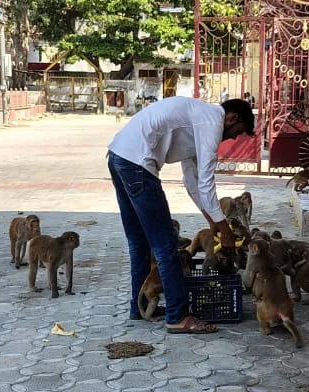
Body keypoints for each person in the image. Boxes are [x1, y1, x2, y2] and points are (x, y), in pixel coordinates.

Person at [106, 96, 255, 334]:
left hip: (118, 156)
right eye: (237, 131)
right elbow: (206, 184)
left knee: (139, 242)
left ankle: (140, 306)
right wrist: (225, 230)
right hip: (137, 164)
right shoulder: (211, 123)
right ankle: (178, 316)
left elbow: (191, 181)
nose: (234, 138)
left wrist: (212, 221)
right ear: (232, 117)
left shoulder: (198, 119)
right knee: (166, 244)